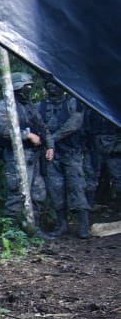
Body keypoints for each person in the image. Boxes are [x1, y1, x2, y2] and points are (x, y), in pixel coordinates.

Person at [0, 70, 51, 225]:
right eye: (26, 87)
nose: (29, 90)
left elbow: (43, 127)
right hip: (16, 157)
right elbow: (4, 131)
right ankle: (11, 233)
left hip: (34, 156)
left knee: (38, 193)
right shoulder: (3, 106)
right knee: (17, 194)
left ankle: (34, 228)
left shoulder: (29, 106)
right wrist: (28, 135)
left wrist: (49, 145)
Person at [39, 76, 91, 238]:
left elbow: (74, 124)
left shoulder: (73, 102)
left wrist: (51, 140)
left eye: (55, 84)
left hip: (71, 153)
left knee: (77, 187)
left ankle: (83, 226)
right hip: (51, 156)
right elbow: (37, 125)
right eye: (48, 84)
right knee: (56, 190)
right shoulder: (40, 106)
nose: (51, 87)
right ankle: (63, 225)